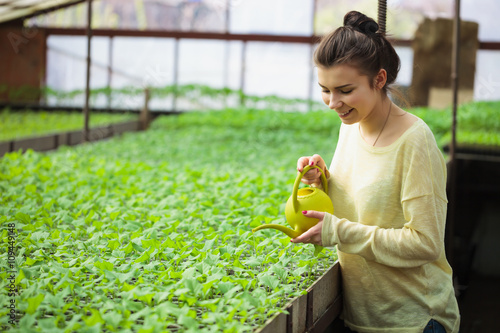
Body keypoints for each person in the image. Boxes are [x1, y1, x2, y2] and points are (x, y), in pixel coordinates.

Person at [290, 11, 460, 333]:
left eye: (344, 90)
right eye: (325, 89)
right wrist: (322, 181)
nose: (332, 102)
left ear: (379, 80)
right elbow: (364, 205)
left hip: (414, 320)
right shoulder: (351, 127)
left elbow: (425, 243)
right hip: (363, 318)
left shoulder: (415, 142)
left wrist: (337, 232)